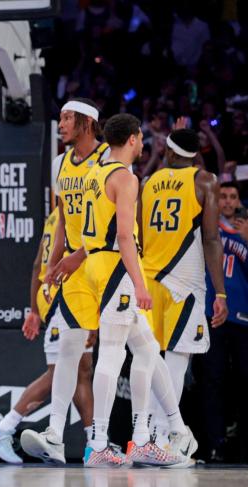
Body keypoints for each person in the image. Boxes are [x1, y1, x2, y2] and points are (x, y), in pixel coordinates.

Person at [77, 114, 190, 467]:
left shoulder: (95, 171)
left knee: (147, 348)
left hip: (97, 265)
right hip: (117, 269)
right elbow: (125, 235)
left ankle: (145, 437)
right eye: (141, 138)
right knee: (112, 353)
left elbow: (90, 228)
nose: (143, 144)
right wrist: (139, 283)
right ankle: (98, 443)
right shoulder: (125, 177)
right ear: (133, 139)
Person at [21, 98, 109, 464]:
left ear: (87, 123)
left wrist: (78, 255)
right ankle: (64, 436)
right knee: (72, 355)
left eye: (67, 118)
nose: (60, 124)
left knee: (137, 353)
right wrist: (52, 265)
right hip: (75, 271)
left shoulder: (108, 159)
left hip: (109, 264)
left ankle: (158, 433)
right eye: (59, 118)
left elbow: (114, 222)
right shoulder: (60, 163)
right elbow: (62, 220)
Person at [0, 209, 94, 464]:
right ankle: (3, 428)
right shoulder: (76, 211)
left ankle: (94, 443)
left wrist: (34, 309)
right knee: (61, 373)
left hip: (55, 293)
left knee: (81, 370)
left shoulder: (55, 214)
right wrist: (34, 309)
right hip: (64, 294)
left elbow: (36, 265)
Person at [140, 128, 228, 450]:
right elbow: (211, 239)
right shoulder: (204, 181)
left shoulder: (147, 184)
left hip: (149, 281)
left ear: (169, 152)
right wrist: (220, 292)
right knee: (177, 361)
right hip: (184, 282)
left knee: (150, 360)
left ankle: (145, 434)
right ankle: (164, 437)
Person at [200, 182, 248, 462]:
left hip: (243, 318)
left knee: (244, 382)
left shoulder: (246, 230)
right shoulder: (206, 227)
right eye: (223, 196)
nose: (228, 201)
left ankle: (243, 448)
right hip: (212, 314)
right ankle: (213, 447)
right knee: (212, 381)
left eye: (233, 197)